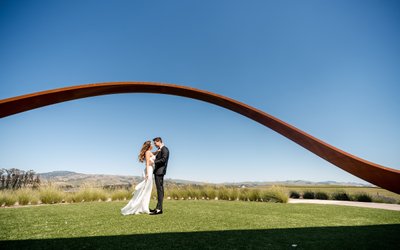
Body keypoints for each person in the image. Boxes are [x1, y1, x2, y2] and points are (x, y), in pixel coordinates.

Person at [121, 140, 155, 215]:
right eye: (152, 144)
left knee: (147, 190)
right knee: (145, 190)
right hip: (148, 171)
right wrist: (147, 173)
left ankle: (143, 207)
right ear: (149, 146)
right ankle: (142, 208)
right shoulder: (147, 152)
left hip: (150, 171)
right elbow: (147, 162)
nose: (153, 145)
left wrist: (158, 151)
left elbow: (153, 155)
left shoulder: (150, 152)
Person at [149, 137, 170, 215]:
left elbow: (164, 160)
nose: (154, 144)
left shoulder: (165, 149)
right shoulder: (160, 149)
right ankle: (158, 208)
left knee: (160, 190)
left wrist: (154, 162)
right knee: (159, 190)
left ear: (159, 141)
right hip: (157, 172)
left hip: (160, 172)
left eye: (155, 143)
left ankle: (159, 209)